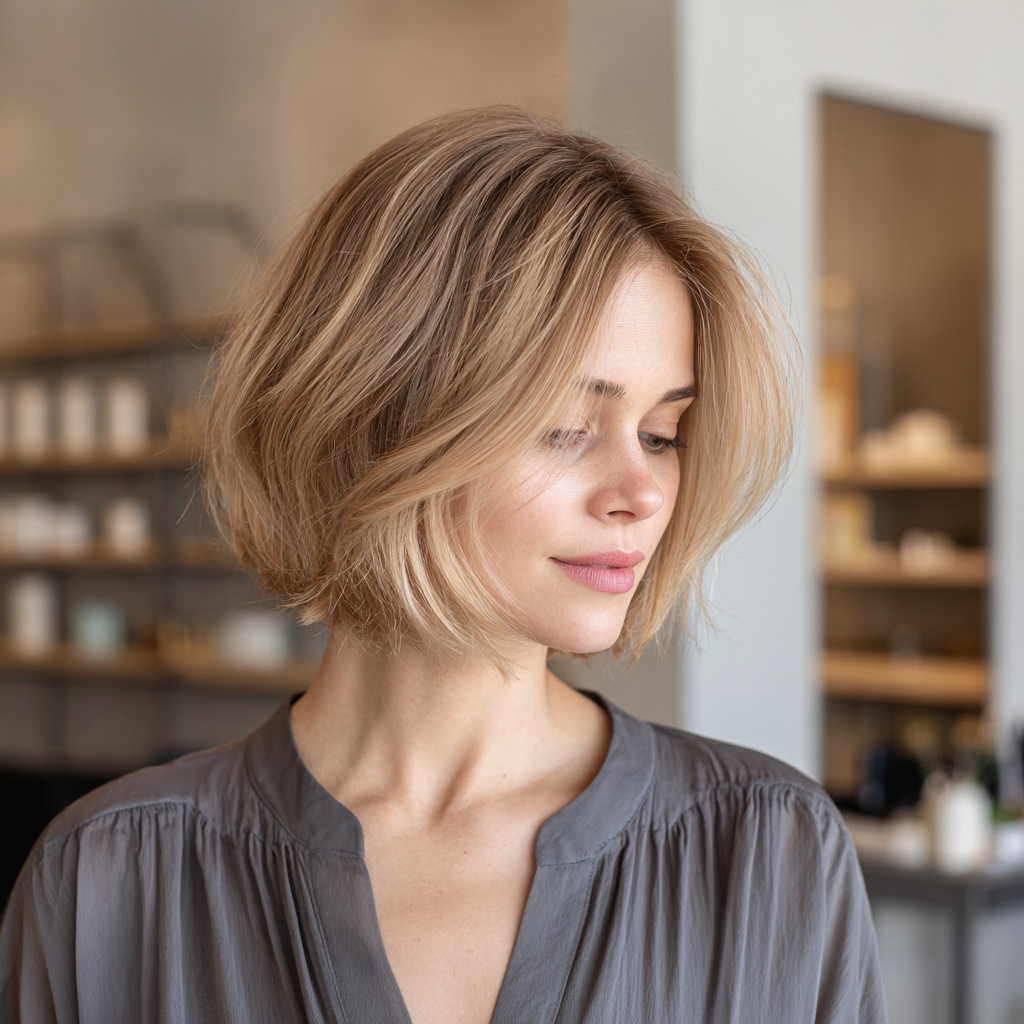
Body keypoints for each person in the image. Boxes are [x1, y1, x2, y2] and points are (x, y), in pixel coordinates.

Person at [0, 107, 887, 1023]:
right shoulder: (107, 883)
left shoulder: (769, 855)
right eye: (567, 426)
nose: (644, 490)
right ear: (377, 417)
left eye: (663, 432)